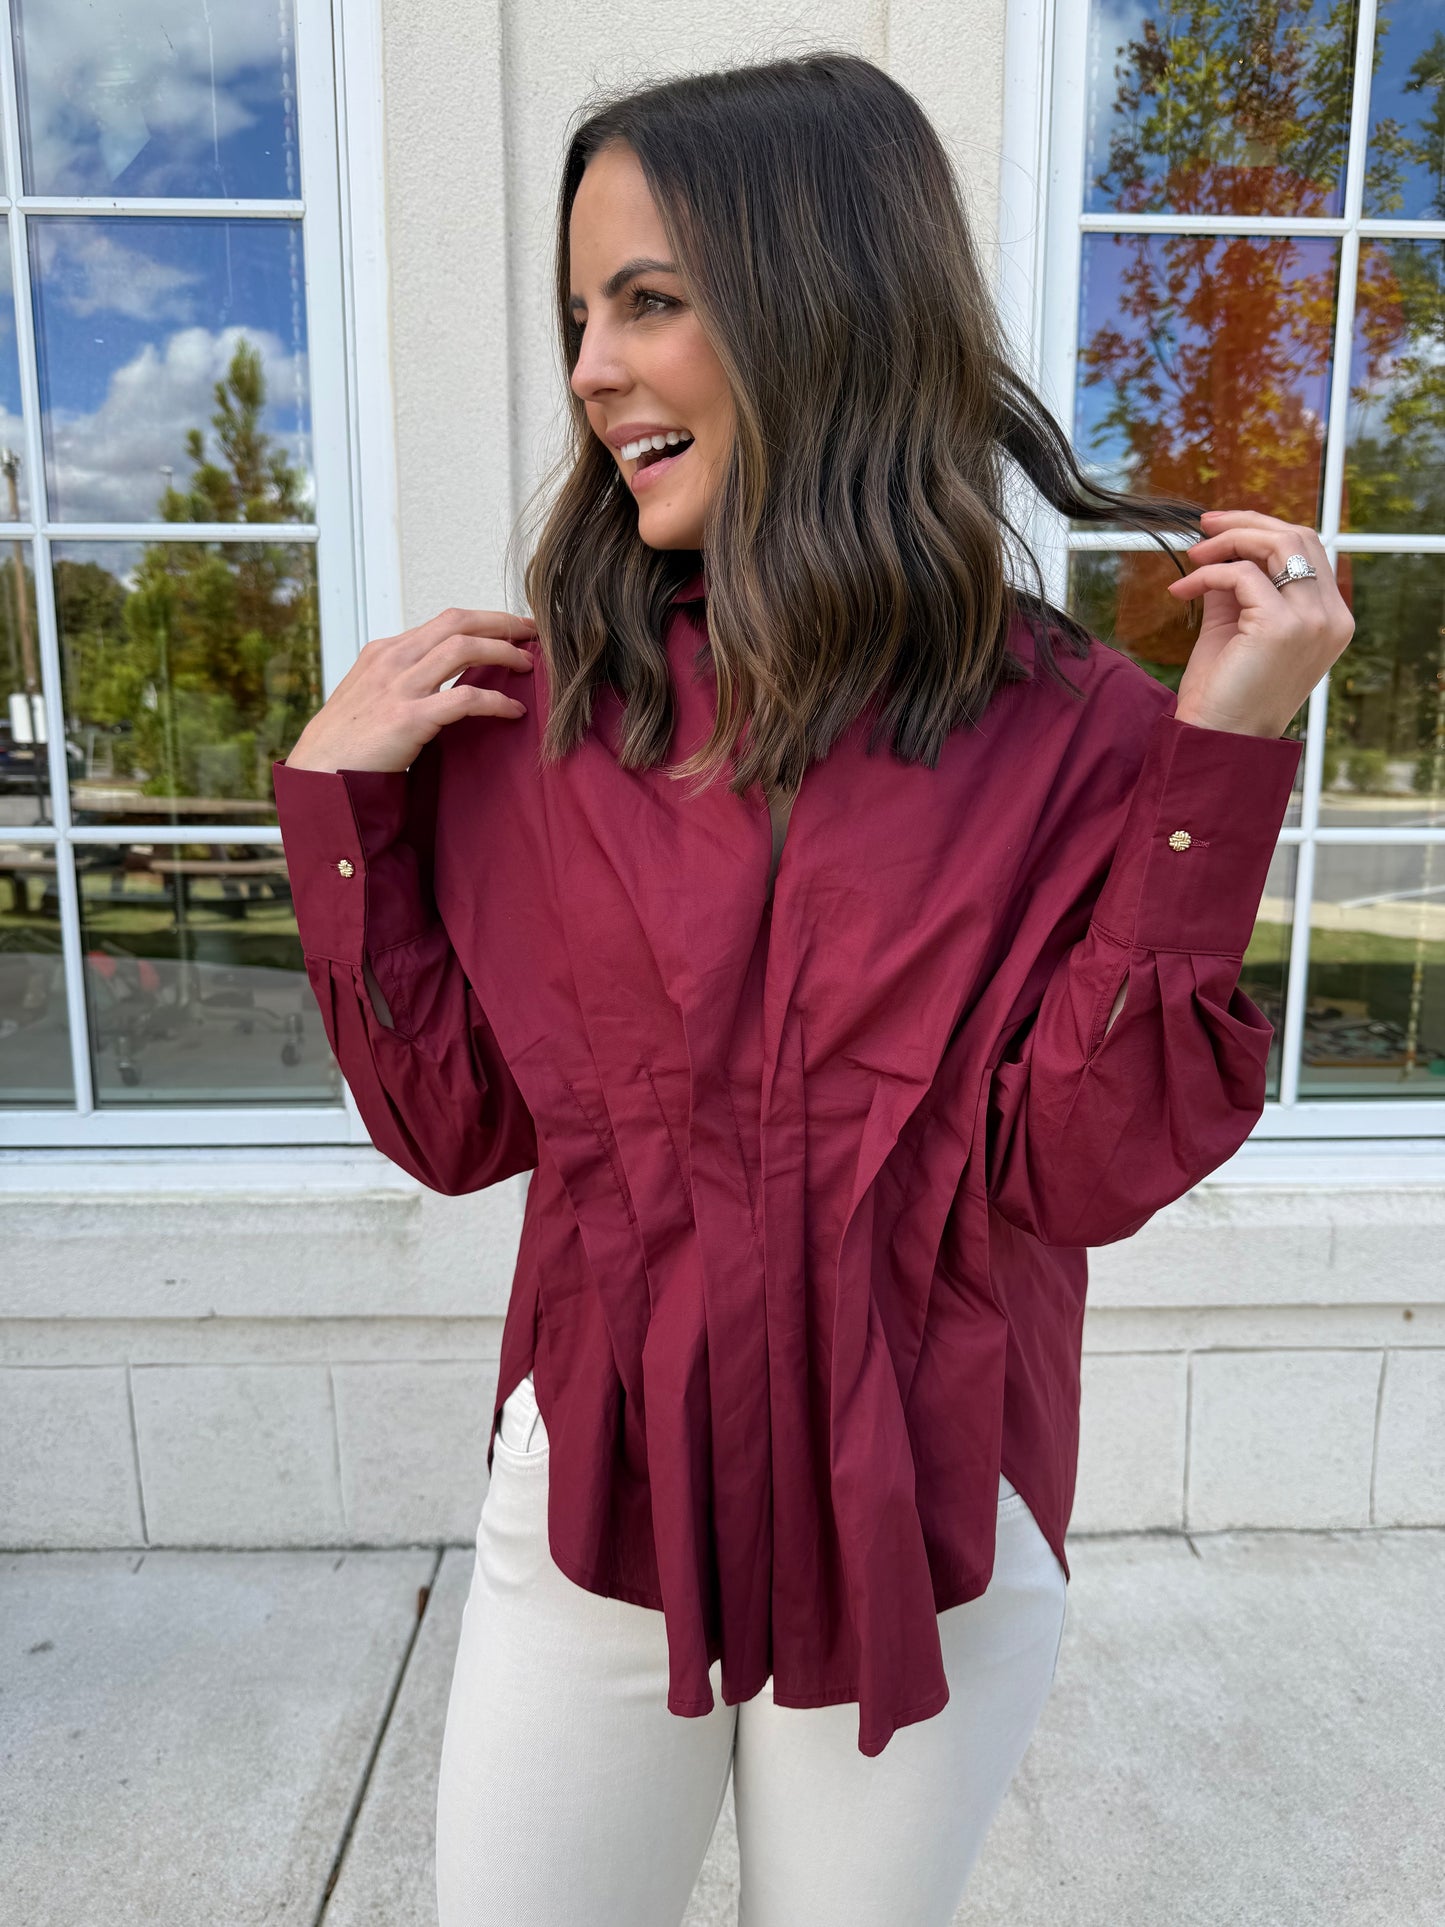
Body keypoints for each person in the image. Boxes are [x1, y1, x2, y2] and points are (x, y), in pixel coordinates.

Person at [272, 51, 1353, 1927]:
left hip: (928, 1503)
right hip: (598, 1486)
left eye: (649, 302)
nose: (590, 368)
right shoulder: (527, 724)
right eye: (579, 315)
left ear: (823, 306)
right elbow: (452, 1131)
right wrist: (338, 812)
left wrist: (1220, 765)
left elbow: (1082, 1166)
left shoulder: (1086, 736)